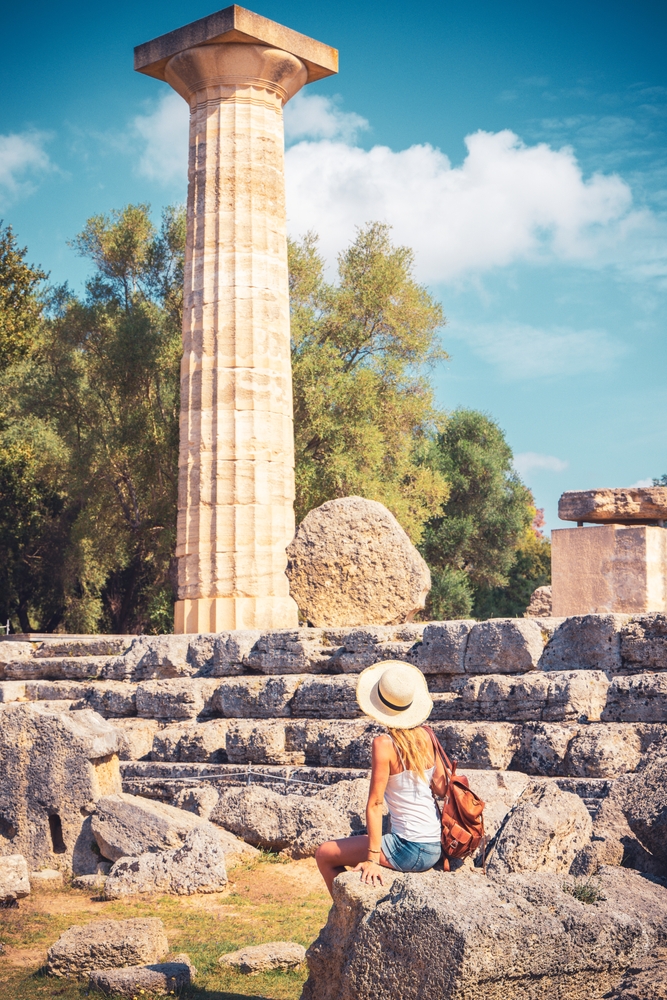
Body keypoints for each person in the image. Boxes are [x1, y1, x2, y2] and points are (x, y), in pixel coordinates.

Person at [315, 660, 445, 897]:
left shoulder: (384, 744)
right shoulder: (428, 735)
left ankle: (344, 914)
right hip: (434, 846)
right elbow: (440, 786)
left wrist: (372, 859)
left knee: (324, 853)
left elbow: (376, 804)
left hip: (409, 849)